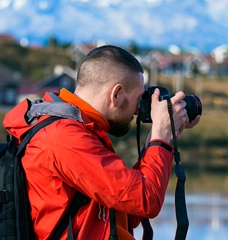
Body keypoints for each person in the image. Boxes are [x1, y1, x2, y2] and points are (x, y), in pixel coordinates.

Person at [3, 45, 200, 240]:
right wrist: (161, 137)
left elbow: (126, 211)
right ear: (116, 94)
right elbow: (146, 200)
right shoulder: (65, 138)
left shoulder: (82, 131)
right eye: (138, 99)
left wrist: (158, 140)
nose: (138, 110)